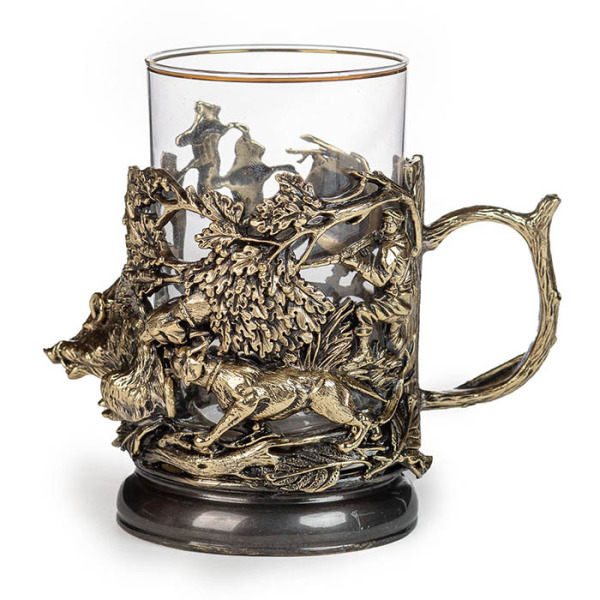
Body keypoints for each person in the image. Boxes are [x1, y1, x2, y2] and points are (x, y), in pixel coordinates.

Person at [340, 208, 413, 356]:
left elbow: (380, 279)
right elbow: (377, 236)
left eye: (389, 224)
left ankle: (364, 353)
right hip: (405, 297)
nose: (385, 227)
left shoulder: (392, 249)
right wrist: (366, 244)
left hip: (396, 301)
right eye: (383, 223)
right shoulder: (401, 238)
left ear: (397, 224)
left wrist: (357, 264)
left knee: (363, 311)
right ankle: (401, 359)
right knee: (393, 341)